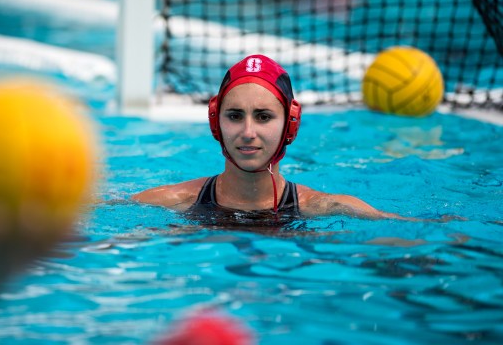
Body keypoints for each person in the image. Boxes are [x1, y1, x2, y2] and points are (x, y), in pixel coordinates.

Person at [132, 54, 414, 225]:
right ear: (215, 121)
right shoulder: (171, 200)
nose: (247, 132)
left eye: (263, 116)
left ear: (290, 125)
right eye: (234, 116)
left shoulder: (325, 207)